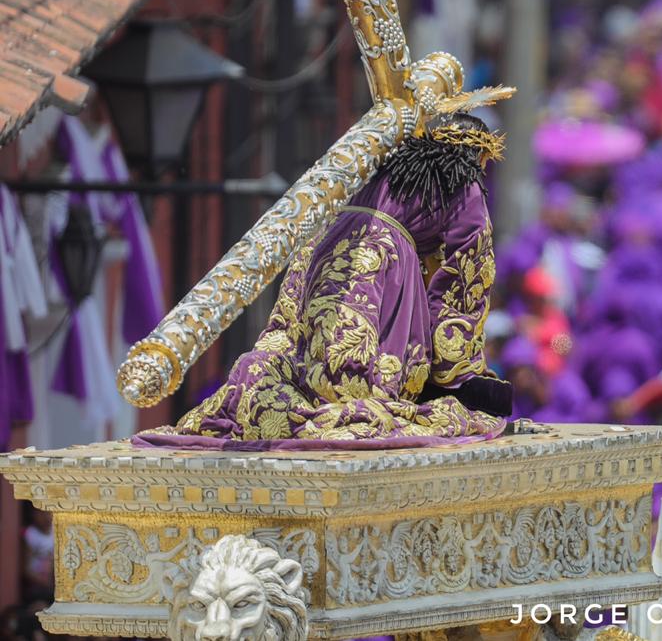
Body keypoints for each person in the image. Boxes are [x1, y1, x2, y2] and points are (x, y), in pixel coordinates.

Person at [137, 112, 514, 448]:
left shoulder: (388, 157)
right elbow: (463, 281)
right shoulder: (465, 181)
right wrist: (455, 371)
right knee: (361, 382)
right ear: (482, 155)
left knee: (299, 349)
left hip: (322, 247)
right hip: (383, 261)